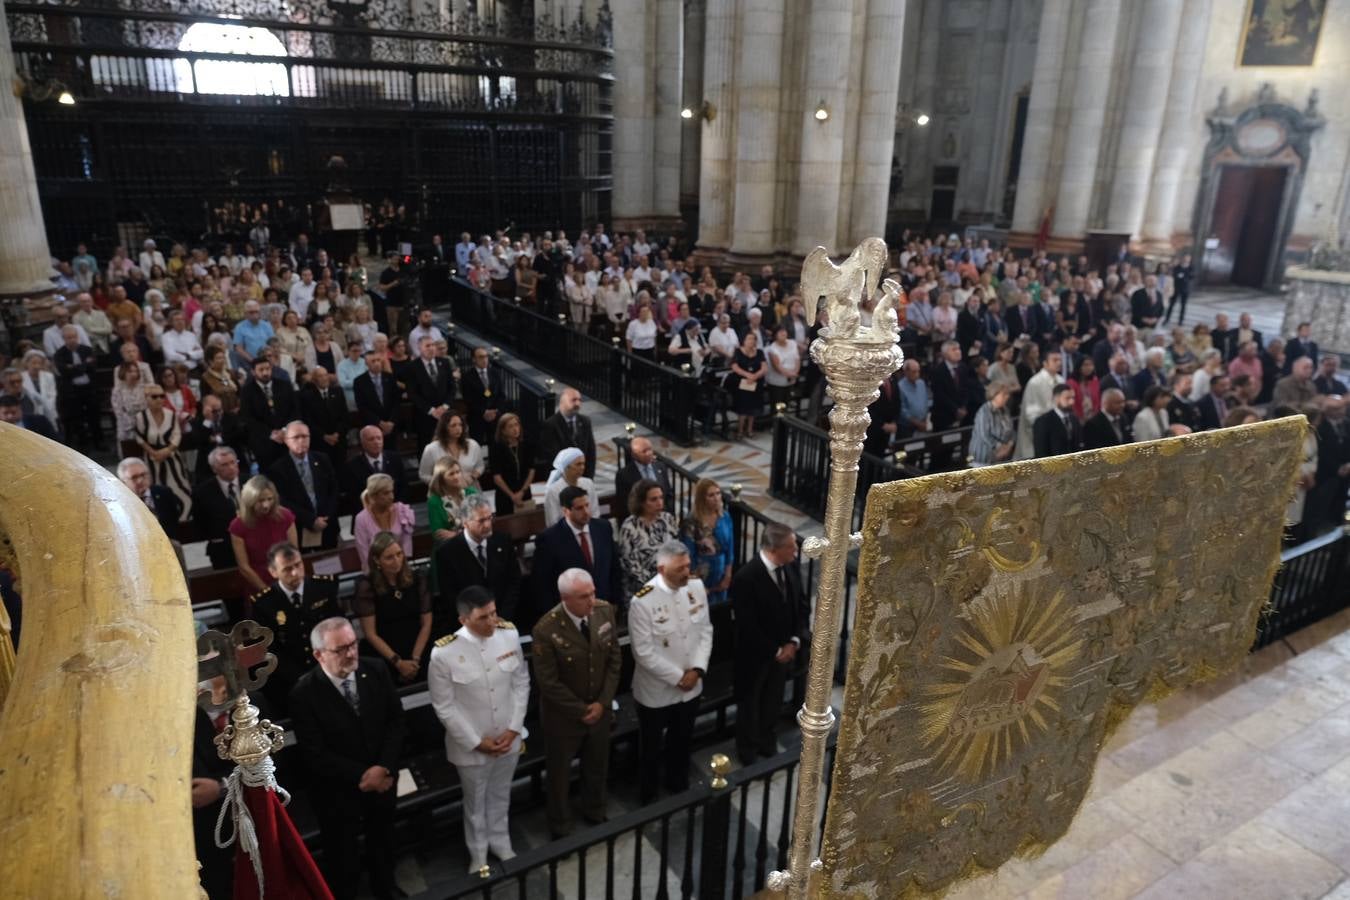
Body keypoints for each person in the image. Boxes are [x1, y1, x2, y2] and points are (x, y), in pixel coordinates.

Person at [289, 617, 405, 900]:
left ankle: (385, 887)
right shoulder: (304, 693)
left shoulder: (376, 670)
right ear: (319, 655)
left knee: (384, 842)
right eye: (340, 649)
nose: (351, 653)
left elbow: (395, 722)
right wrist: (363, 776)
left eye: (353, 644)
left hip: (383, 780)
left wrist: (384, 768)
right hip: (337, 791)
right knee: (343, 856)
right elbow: (315, 753)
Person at [426, 585, 528, 874]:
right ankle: (478, 853)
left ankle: (502, 843)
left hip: (508, 738)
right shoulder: (444, 653)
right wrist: (476, 741)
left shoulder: (508, 635)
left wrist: (513, 728)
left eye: (494, 614)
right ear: (464, 620)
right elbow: (444, 706)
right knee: (475, 801)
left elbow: (521, 683)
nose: (492, 621)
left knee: (501, 794)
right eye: (483, 617)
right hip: (472, 745)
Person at [530, 568, 622, 837]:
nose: (591, 600)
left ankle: (595, 809)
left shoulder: (604, 611)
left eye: (592, 593)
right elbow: (548, 683)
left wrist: (602, 703)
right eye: (584, 597)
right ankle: (560, 824)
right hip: (564, 718)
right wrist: (582, 710)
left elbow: (614, 660)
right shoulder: (546, 630)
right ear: (565, 599)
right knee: (559, 775)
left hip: (600, 710)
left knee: (597, 764)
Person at [629, 540, 713, 802]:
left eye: (688, 566)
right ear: (661, 568)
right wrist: (679, 678)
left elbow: (705, 631)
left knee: (682, 740)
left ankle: (678, 786)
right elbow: (643, 652)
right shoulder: (642, 601)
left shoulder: (696, 587)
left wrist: (697, 669)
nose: (686, 572)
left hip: (691, 686)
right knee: (651, 748)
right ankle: (649, 796)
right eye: (680, 568)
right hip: (657, 692)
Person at [729, 523, 808, 765]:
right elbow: (747, 624)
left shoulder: (790, 567)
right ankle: (749, 750)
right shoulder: (747, 577)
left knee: (773, 699)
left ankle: (767, 740)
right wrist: (775, 650)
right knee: (751, 702)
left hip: (785, 650)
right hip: (755, 656)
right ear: (774, 549)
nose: (796, 550)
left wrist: (794, 641)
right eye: (791, 546)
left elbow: (801, 605)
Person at [249, 542, 340, 713]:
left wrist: (326, 670)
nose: (295, 573)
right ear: (273, 572)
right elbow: (268, 650)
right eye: (287, 569)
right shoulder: (264, 604)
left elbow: (337, 629)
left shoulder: (324, 588)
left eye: (298, 565)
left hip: (328, 669)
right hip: (291, 680)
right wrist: (301, 678)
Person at [433, 494, 522, 632]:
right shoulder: (447, 553)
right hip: (470, 626)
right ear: (465, 522)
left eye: (489, 518)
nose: (487, 525)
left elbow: (514, 581)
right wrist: (478, 621)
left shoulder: (503, 541)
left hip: (504, 621)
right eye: (481, 521)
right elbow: (450, 596)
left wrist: (503, 617)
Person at [533, 485, 621, 622]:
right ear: (565, 511)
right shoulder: (549, 539)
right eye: (579, 508)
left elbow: (614, 568)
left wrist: (615, 601)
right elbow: (543, 583)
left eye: (587, 505)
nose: (586, 512)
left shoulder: (603, 528)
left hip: (604, 607)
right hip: (571, 614)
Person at [268, 420, 340, 550]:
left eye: (305, 436)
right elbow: (283, 501)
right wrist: (310, 520)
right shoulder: (278, 468)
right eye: (296, 437)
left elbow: (333, 489)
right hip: (299, 528)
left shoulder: (322, 459)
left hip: (327, 524)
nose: (302, 440)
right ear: (286, 440)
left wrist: (326, 517)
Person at [228, 475, 297, 593]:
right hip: (257, 583)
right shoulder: (238, 526)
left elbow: (294, 552)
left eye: (270, 499)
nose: (266, 505)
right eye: (260, 500)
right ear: (250, 500)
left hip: (286, 578)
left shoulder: (285, 516)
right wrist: (267, 591)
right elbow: (244, 567)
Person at [135, 383, 194, 521]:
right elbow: (140, 438)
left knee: (182, 492)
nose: (159, 400)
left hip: (172, 458)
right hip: (152, 459)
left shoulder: (171, 414)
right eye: (154, 397)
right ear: (146, 398)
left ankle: (184, 521)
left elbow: (176, 435)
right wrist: (154, 453)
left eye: (162, 396)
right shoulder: (141, 417)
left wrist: (166, 451)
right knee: (157, 492)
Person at [618, 479, 679, 598]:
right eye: (653, 499)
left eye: (661, 498)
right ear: (641, 502)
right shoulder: (630, 527)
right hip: (643, 589)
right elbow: (631, 566)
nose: (659, 502)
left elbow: (677, 550)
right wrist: (658, 584)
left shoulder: (668, 519)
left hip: (670, 582)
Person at [679, 477, 734, 604]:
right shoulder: (691, 522)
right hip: (699, 575)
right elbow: (688, 555)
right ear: (702, 498)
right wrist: (695, 583)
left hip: (721, 573)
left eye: (718, 493)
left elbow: (730, 549)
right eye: (711, 495)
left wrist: (728, 575)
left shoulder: (725, 516)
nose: (716, 498)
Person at [239, 357, 299, 469]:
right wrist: (271, 433)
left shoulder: (284, 385)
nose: (265, 372)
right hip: (264, 441)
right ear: (253, 372)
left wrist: (285, 430)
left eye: (267, 368)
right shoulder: (247, 391)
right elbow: (248, 418)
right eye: (261, 370)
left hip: (287, 437)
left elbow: (294, 410)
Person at [191, 447, 244, 570]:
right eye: (224, 465)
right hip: (224, 550)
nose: (231, 467)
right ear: (214, 468)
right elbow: (200, 527)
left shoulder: (253, 482)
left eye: (233, 462)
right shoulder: (202, 493)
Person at [51, 326, 102, 450]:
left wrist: (73, 367)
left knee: (94, 416)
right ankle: (83, 445)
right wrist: (84, 365)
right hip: (72, 392)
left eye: (74, 337)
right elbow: (64, 372)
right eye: (69, 338)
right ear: (64, 339)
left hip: (89, 389)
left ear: (77, 337)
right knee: (77, 419)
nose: (72, 340)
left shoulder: (87, 350)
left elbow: (93, 367)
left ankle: (99, 443)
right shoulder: (59, 354)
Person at [354, 473, 416, 569]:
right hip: (375, 570)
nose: (391, 497)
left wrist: (400, 566)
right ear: (374, 496)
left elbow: (406, 547)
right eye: (386, 493)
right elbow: (364, 553)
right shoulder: (361, 519)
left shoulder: (402, 511)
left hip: (401, 566)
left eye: (392, 492)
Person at [343, 425, 407, 516]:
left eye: (379, 438)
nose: (376, 442)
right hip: (367, 515)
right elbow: (353, 495)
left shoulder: (394, 459)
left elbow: (403, 486)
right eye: (371, 439)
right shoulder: (353, 466)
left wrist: (394, 507)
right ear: (362, 442)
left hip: (395, 512)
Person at [298, 365, 349, 473]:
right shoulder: (307, 396)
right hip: (319, 443)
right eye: (320, 376)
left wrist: (337, 434)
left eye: (325, 375)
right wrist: (324, 436)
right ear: (314, 379)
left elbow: (344, 416)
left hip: (338, 440)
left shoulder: (338, 391)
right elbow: (308, 421)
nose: (324, 378)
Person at [117, 456, 182, 540]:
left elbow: (174, 519)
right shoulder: (119, 503)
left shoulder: (164, 492)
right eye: (134, 477)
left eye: (143, 475)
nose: (140, 480)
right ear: (123, 481)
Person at [409, 335, 457, 448]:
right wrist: (431, 411)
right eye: (427, 346)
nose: (431, 348)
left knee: (447, 445)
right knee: (426, 446)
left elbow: (452, 387)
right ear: (419, 348)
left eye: (433, 345)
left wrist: (445, 406)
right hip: (425, 416)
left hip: (445, 414)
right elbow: (413, 394)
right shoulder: (412, 367)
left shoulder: (444, 362)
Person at [538, 388, 597, 478]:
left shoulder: (585, 421)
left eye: (579, 400)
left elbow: (591, 453)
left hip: (583, 478)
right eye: (573, 400)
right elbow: (552, 457)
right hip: (562, 479)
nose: (577, 403)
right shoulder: (550, 425)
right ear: (562, 402)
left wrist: (589, 478)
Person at [1014, 352, 1062, 460]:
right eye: (1055, 360)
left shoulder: (1060, 380)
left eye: (1060, 360)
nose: (1059, 363)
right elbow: (1031, 415)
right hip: (1038, 436)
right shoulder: (1035, 383)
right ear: (1045, 363)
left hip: (1055, 434)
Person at [614, 435, 672, 518]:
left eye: (650, 449)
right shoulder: (624, 475)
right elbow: (623, 505)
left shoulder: (660, 467)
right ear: (634, 455)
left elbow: (668, 494)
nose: (649, 453)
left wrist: (668, 514)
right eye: (644, 451)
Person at [489, 412, 536, 516]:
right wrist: (512, 495)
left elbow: (531, 470)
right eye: (510, 426)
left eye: (516, 425)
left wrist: (522, 492)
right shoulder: (496, 448)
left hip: (524, 492)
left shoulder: (526, 444)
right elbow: (497, 477)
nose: (515, 429)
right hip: (505, 495)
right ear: (503, 430)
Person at [419, 411, 484, 485]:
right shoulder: (431, 449)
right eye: (453, 425)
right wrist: (443, 484)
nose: (458, 428)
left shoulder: (472, 444)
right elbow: (423, 475)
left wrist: (472, 477)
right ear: (444, 428)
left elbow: (480, 466)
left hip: (471, 490)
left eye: (460, 425)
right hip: (444, 493)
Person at [543, 447, 600, 527]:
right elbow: (553, 522)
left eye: (583, 464)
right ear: (566, 467)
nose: (582, 467)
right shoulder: (554, 491)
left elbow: (595, 512)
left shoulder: (588, 483)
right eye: (578, 464)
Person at [353, 350, 401, 437]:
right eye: (373, 361)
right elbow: (362, 406)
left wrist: (391, 422)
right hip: (372, 425)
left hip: (391, 424)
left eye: (378, 360)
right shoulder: (359, 382)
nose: (377, 363)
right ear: (366, 364)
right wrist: (380, 423)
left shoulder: (390, 378)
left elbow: (396, 401)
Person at [461, 346, 503, 445]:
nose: (484, 360)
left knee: (495, 444)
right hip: (477, 417)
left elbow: (501, 395)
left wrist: (495, 411)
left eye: (486, 356)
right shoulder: (467, 377)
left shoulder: (495, 373)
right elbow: (468, 399)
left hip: (494, 417)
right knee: (476, 445)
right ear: (474, 359)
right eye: (480, 357)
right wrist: (484, 412)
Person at [730, 330, 767, 439]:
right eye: (749, 339)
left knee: (753, 408)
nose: (751, 341)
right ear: (744, 340)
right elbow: (734, 366)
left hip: (756, 383)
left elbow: (764, 367)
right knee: (743, 408)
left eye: (753, 339)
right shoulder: (738, 352)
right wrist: (748, 375)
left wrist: (754, 376)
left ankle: (750, 429)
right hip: (742, 384)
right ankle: (740, 431)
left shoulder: (759, 352)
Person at [968, 383, 1016, 466]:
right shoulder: (984, 411)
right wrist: (1001, 447)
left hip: (1002, 456)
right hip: (982, 457)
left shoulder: (1005, 410)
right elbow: (984, 435)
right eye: (1004, 394)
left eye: (1008, 394)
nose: (1007, 396)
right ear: (994, 395)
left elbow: (1011, 430)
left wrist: (1009, 445)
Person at [930, 340, 971, 430]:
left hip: (962, 414)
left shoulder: (963, 367)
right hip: (943, 416)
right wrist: (956, 410)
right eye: (954, 349)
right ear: (945, 354)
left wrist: (963, 407)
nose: (958, 351)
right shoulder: (937, 371)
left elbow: (966, 389)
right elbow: (940, 395)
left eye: (958, 349)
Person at [1032, 383, 1080, 458]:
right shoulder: (1043, 422)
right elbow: (1040, 453)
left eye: (1073, 398)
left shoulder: (1074, 419)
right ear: (1056, 398)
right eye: (1067, 398)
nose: (1072, 402)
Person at [764, 324, 800, 410]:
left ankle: (784, 422)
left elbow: (797, 359)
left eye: (784, 331)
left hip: (790, 380)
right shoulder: (772, 348)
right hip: (777, 383)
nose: (783, 333)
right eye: (780, 332)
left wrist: (794, 373)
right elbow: (777, 366)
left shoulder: (792, 343)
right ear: (775, 335)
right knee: (778, 407)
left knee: (786, 405)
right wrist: (790, 374)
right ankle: (777, 422)